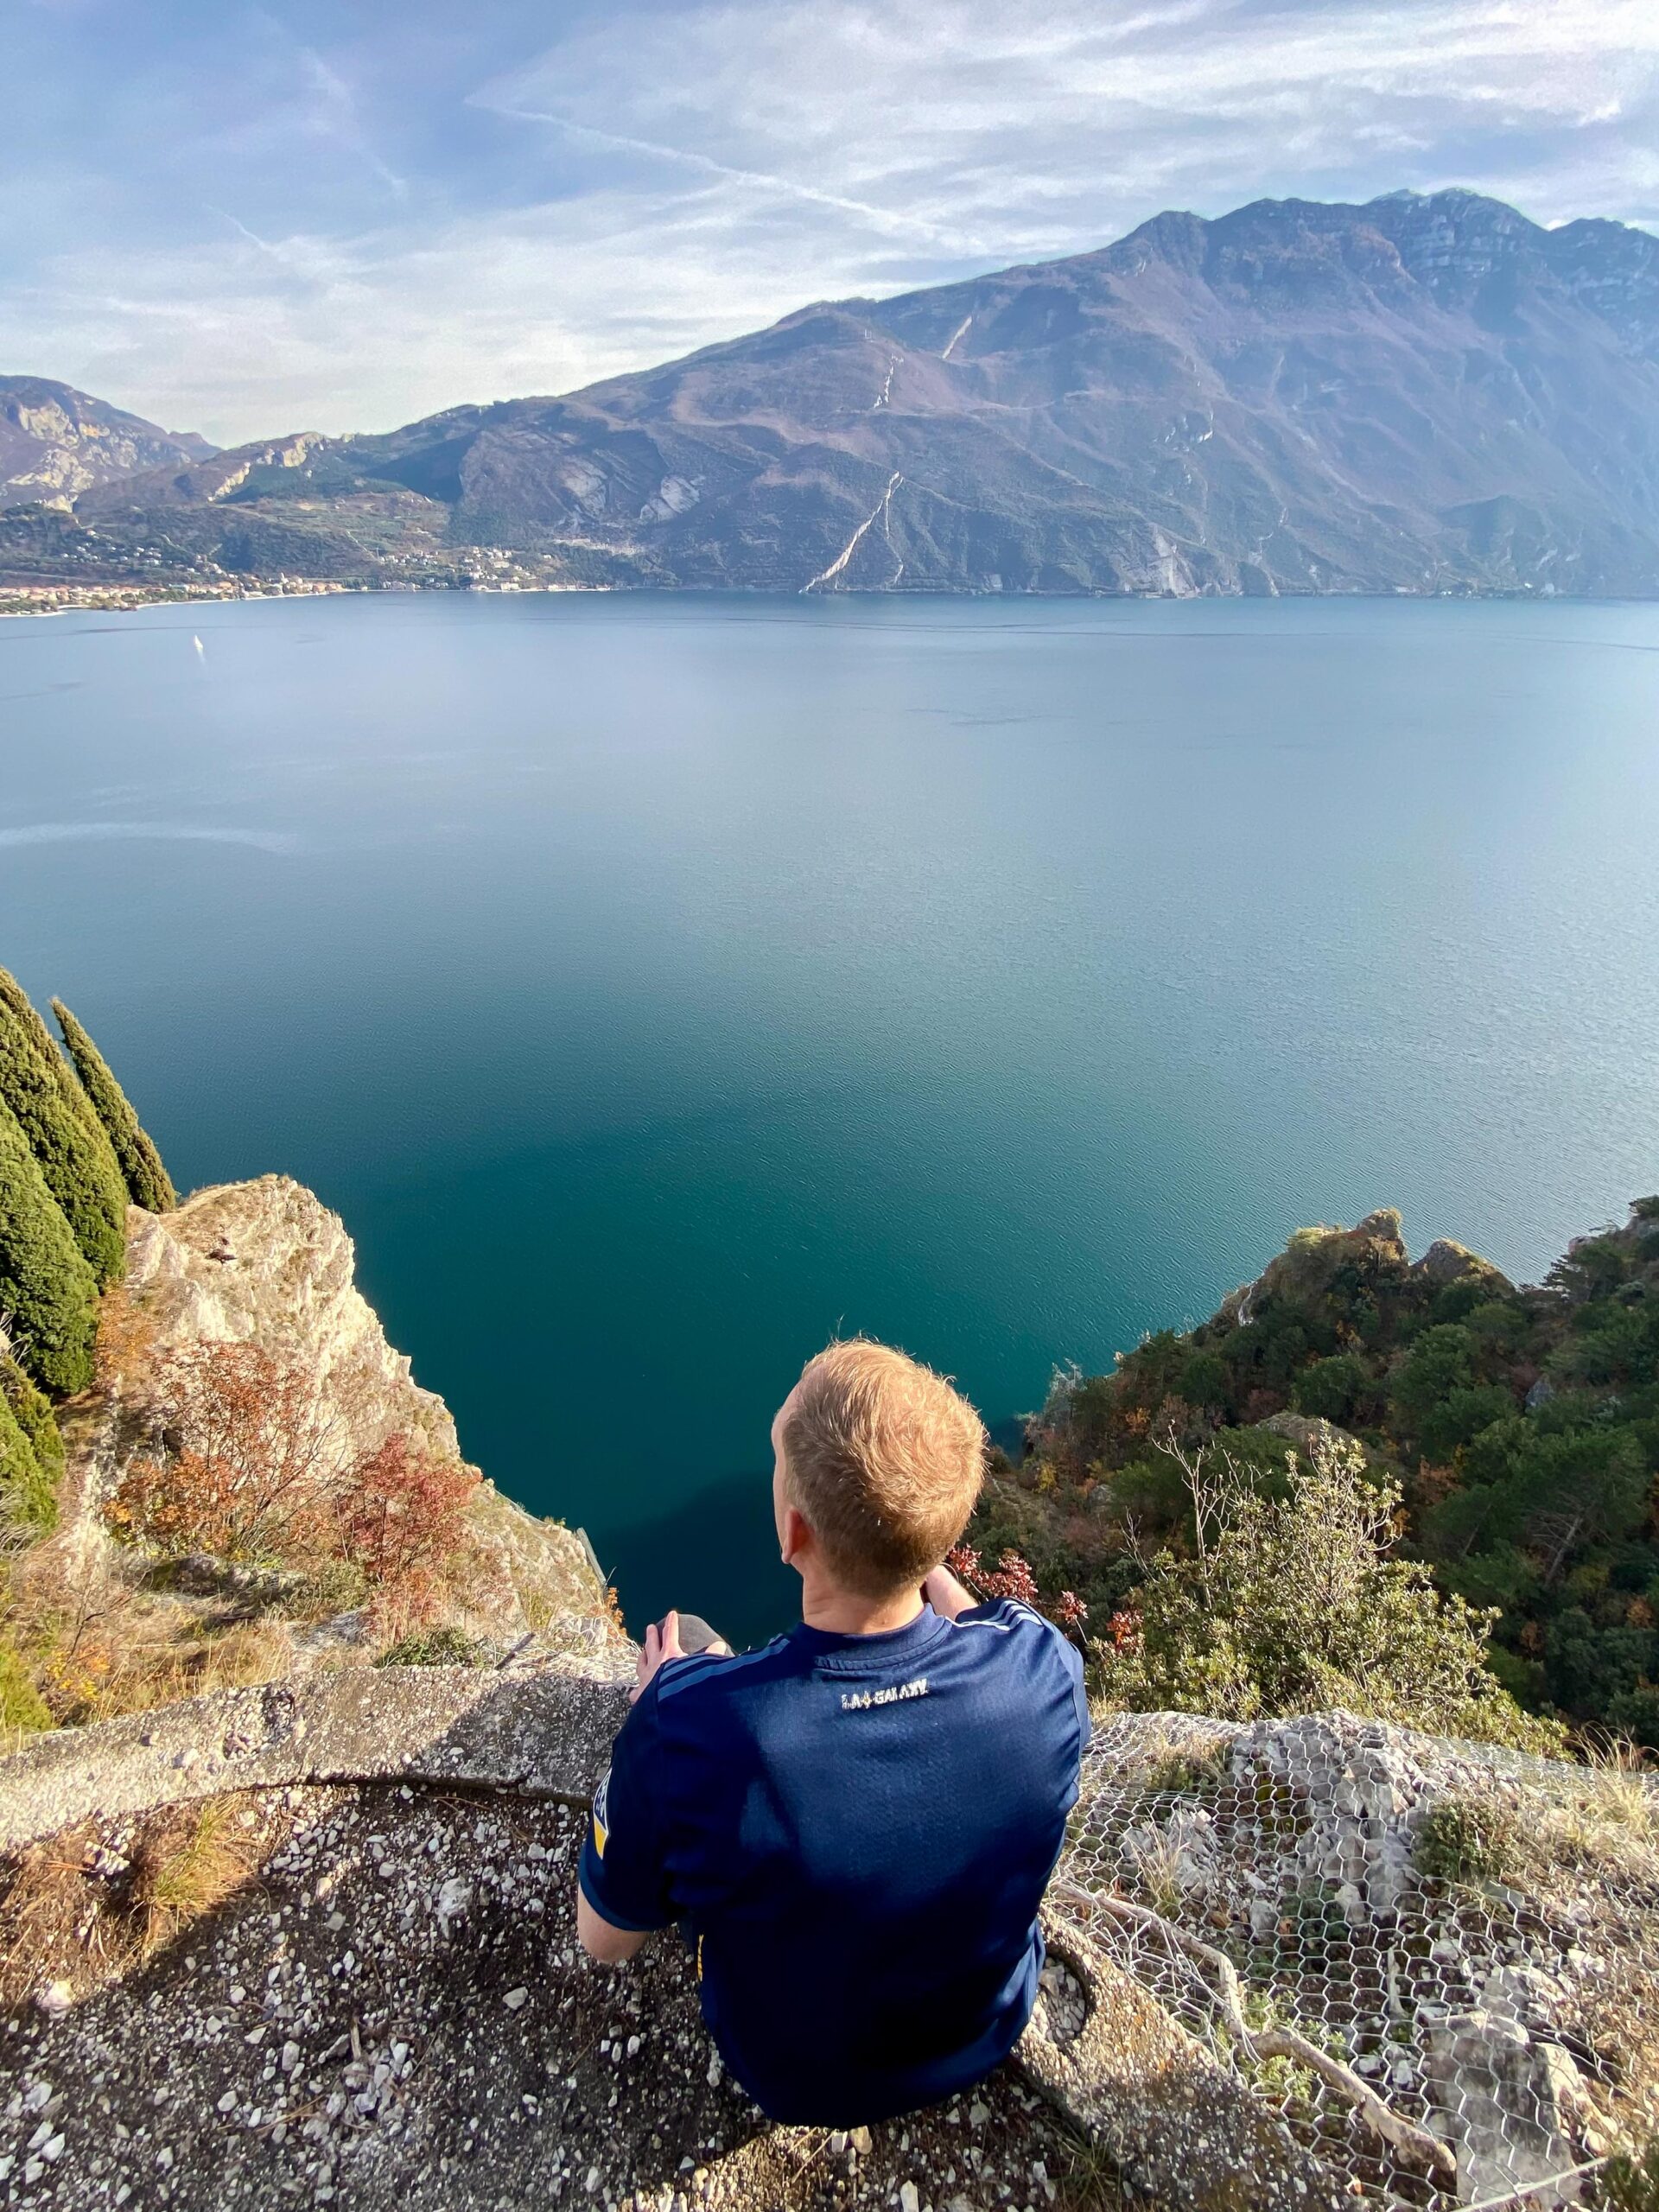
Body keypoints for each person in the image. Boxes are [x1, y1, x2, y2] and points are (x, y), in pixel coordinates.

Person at [575, 1338, 1090, 2126]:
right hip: (984, 2031)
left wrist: (665, 1699)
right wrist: (914, 1542)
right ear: (941, 1545)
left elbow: (605, 1941)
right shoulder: (1045, 1674)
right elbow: (980, 1621)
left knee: (706, 1652)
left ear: (791, 1535)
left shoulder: (694, 1730)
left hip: (796, 2081)